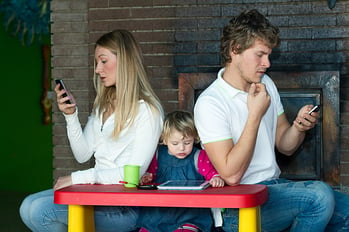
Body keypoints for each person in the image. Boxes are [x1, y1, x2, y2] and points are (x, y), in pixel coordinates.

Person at [194, 9, 349, 232]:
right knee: (319, 196)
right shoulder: (211, 102)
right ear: (235, 49)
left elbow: (285, 146)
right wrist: (254, 115)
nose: (267, 63)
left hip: (274, 189)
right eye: (260, 55)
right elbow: (231, 175)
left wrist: (298, 127)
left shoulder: (265, 82)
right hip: (237, 204)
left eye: (269, 55)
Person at [19, 29, 164, 232]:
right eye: (97, 62)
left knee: (40, 211)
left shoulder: (148, 110)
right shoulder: (103, 105)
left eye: (103, 61)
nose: (97, 69)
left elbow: (134, 174)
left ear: (125, 62)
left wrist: (76, 178)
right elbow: (83, 154)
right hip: (95, 193)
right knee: (27, 206)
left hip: (124, 207)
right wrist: (71, 116)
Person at [137, 110, 225, 232]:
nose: (182, 148)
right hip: (158, 213)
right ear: (164, 140)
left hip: (190, 214)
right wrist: (146, 177)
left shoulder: (199, 156)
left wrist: (215, 178)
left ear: (195, 138)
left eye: (187, 142)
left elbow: (212, 173)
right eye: (175, 143)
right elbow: (149, 175)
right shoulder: (157, 155)